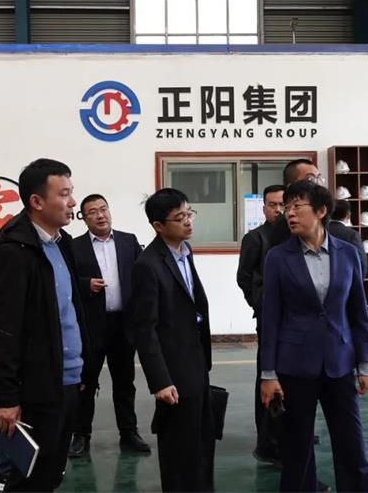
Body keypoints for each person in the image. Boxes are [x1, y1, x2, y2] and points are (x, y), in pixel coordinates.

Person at [0, 158, 94, 491]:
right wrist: (5, 397)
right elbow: (2, 330)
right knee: (29, 481)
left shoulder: (62, 243)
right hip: (36, 387)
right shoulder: (14, 252)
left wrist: (81, 371)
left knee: (51, 474)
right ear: (37, 201)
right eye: (64, 194)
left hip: (68, 381)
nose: (73, 202)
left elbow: (70, 311)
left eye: (71, 192)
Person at [261, 180, 368, 492]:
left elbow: (359, 314)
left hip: (340, 362)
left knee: (351, 443)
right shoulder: (278, 257)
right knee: (297, 447)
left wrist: (366, 363)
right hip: (295, 365)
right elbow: (270, 319)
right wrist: (268, 374)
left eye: (297, 206)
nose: (289, 213)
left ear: (322, 210)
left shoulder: (348, 254)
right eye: (287, 207)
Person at [128, 188, 215, 492]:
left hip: (196, 362)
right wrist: (160, 381)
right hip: (173, 370)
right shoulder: (148, 265)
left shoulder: (184, 252)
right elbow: (144, 329)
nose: (188, 221)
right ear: (158, 226)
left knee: (202, 442)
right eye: (180, 217)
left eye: (189, 213)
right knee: (179, 447)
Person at [68, 194, 150, 457]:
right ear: (84, 218)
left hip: (123, 324)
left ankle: (129, 433)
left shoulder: (128, 241)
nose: (100, 215)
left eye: (103, 209)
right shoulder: (74, 246)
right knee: (86, 382)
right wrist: (86, 285)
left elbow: (142, 277)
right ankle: (81, 435)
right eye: (92, 212)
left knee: (125, 382)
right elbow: (66, 281)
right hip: (91, 326)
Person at [236, 184, 285, 464]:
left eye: (283, 204)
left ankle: (285, 430)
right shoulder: (256, 238)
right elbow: (243, 277)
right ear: (263, 208)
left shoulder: (295, 235)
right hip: (268, 318)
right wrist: (258, 303)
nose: (278, 210)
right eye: (272, 205)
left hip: (292, 321)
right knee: (267, 375)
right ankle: (267, 439)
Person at [329, 198, 368, 277]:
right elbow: (361, 262)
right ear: (348, 215)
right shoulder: (352, 235)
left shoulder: (320, 232)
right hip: (346, 279)